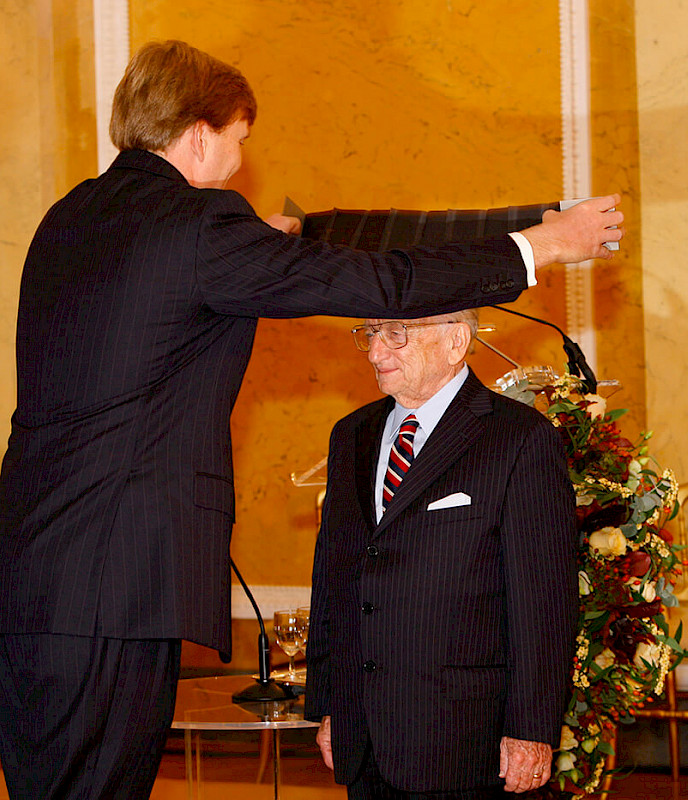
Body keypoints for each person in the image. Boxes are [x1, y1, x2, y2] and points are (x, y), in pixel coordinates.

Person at [0, 39, 619, 799]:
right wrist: (544, 245)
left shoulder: (70, 217)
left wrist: (258, 250)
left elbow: (149, 314)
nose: (238, 162)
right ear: (200, 134)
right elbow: (383, 281)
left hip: (36, 575)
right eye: (238, 141)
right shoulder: (199, 226)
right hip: (115, 586)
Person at [305, 310, 578, 798]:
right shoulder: (351, 434)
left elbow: (544, 603)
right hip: (363, 733)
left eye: (395, 335)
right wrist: (331, 704)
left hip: (464, 739)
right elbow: (333, 577)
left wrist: (532, 729)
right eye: (370, 333)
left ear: (456, 341)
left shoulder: (519, 437)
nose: (374, 352)